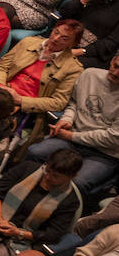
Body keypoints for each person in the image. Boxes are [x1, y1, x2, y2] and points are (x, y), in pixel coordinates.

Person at [28, 53, 119, 200]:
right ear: (113, 60)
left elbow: (113, 137)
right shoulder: (90, 74)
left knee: (77, 183)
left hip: (104, 153)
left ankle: (53, 216)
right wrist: (67, 119)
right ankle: (25, 196)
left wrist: (71, 135)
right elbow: (75, 103)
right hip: (71, 139)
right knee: (35, 152)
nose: (115, 73)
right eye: (116, 66)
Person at [0, 21, 84, 114]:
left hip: (23, 106)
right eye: (56, 32)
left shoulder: (73, 69)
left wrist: (20, 100)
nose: (56, 39)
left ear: (73, 44)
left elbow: (58, 102)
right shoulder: (28, 42)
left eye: (64, 38)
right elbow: (2, 66)